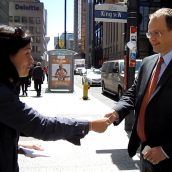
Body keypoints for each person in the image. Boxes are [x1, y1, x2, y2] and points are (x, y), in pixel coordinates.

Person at [0, 25, 111, 172]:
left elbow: (11, 125)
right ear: (7, 55)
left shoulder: (7, 88)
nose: (31, 59)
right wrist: (89, 124)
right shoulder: (2, 94)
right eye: (27, 53)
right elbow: (40, 125)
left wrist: (18, 146)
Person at [102, 8, 172, 172]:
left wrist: (166, 150)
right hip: (145, 152)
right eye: (149, 33)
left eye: (157, 33)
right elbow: (133, 94)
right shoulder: (148, 62)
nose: (152, 39)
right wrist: (115, 112)